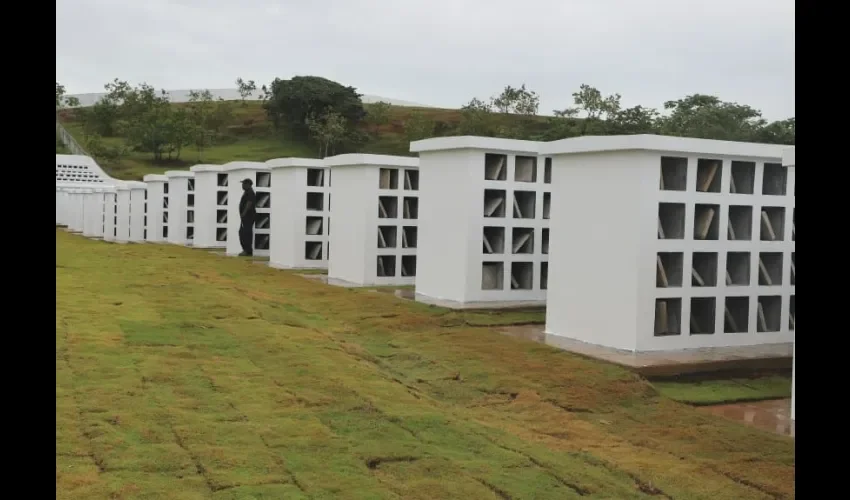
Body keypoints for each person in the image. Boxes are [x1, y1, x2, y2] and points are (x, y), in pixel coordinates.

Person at [238, 178, 256, 256]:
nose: (242, 185)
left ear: (248, 185)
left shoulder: (250, 193)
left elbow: (249, 204)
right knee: (242, 232)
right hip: (245, 217)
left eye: (244, 184)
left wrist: (244, 213)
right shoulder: (246, 192)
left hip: (248, 216)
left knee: (246, 233)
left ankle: (247, 250)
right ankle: (246, 250)